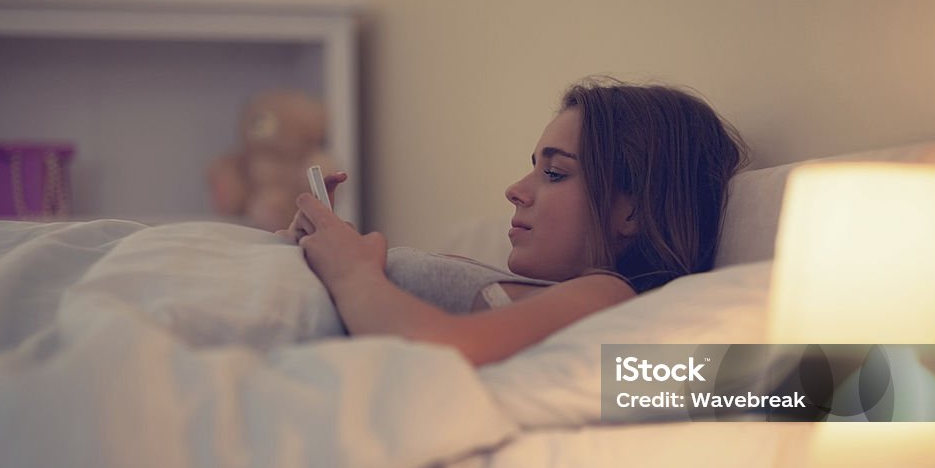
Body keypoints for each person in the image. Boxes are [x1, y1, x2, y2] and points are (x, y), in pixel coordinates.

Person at [279, 79, 747, 366]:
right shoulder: (543, 291)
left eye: (554, 173)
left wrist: (350, 271)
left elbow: (439, 354)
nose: (516, 190)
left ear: (634, 211)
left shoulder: (609, 294)